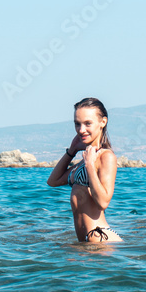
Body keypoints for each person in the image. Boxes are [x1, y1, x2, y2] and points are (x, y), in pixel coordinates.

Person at [47, 97, 123, 242]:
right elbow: (53, 181)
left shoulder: (106, 156)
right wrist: (72, 151)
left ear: (103, 122)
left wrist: (89, 166)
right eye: (77, 124)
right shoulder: (86, 159)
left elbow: (103, 202)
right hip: (87, 240)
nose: (81, 130)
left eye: (88, 123)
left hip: (99, 237)